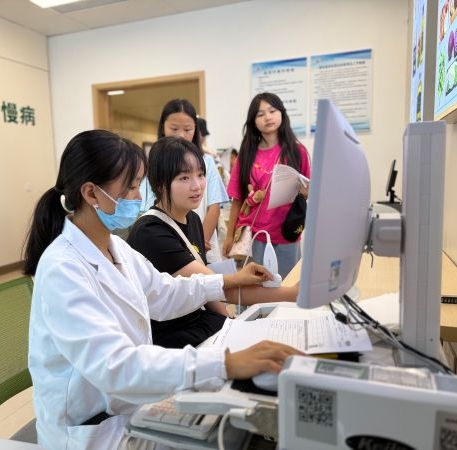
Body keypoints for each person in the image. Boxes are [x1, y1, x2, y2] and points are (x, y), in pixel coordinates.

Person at [22, 129, 303, 450]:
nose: (136, 197)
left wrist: (227, 281)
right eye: (129, 187)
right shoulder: (63, 269)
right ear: (91, 193)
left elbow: (165, 293)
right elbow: (115, 366)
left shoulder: (115, 247)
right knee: (235, 435)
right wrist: (224, 363)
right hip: (92, 430)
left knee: (237, 424)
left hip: (130, 405)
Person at [127, 136, 299, 348]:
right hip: (173, 336)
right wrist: (293, 294)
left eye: (200, 175)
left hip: (198, 321)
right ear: (160, 184)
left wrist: (230, 323)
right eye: (184, 178)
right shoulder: (151, 232)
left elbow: (208, 291)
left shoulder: (192, 219)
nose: (197, 186)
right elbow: (221, 288)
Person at [223, 92, 311, 279]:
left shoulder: (298, 151)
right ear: (253, 121)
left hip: (287, 233)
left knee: (286, 285)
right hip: (252, 236)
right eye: (260, 114)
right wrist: (229, 236)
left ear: (282, 114)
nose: (268, 117)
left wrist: (307, 191)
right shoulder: (246, 154)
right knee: (254, 287)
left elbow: (308, 191)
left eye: (272, 111)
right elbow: (237, 199)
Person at [140, 99, 229, 263]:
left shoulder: (207, 161)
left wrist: (199, 241)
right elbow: (149, 207)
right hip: (169, 239)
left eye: (187, 129)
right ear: (163, 127)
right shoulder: (155, 164)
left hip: (201, 241)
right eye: (174, 129)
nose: (181, 135)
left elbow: (214, 206)